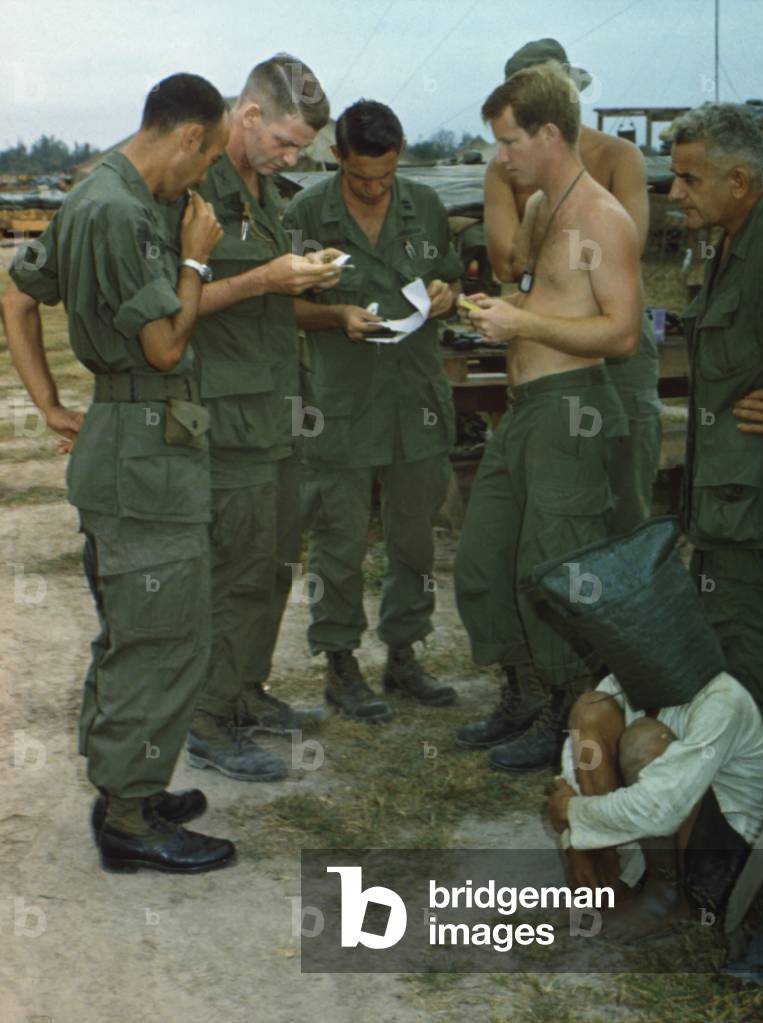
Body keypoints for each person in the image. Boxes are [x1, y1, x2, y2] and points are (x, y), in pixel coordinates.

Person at [1, 74, 235, 872]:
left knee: (141, 629)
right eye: (203, 164)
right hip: (142, 455)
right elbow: (166, 346)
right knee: (158, 639)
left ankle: (128, 784)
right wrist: (196, 262)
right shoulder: (119, 212)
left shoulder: (94, 193)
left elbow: (17, 293)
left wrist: (48, 401)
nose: (199, 184)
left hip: (135, 443)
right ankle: (130, 819)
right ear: (189, 136)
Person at [461, 39, 661, 772]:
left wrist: (524, 324)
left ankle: (570, 709)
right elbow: (540, 294)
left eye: (509, 140)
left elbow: (622, 331)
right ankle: (521, 688)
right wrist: (503, 309)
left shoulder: (603, 216)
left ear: (548, 134)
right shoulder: (544, 203)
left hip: (571, 410)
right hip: (524, 412)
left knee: (555, 570)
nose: (501, 156)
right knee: (485, 557)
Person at [182, 55, 343, 782]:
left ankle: (246, 689)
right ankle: (207, 719)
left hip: (280, 408)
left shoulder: (267, 190)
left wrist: (305, 280)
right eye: (283, 143)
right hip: (228, 416)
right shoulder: (193, 187)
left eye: (299, 151)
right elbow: (169, 306)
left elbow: (265, 293)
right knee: (233, 566)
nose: (290, 159)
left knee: (274, 559)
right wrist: (265, 279)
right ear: (247, 116)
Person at [283, 99, 464, 722]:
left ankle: (404, 655)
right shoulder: (307, 213)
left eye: (385, 175)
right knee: (338, 540)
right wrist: (334, 315)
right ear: (336, 157)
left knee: (415, 539)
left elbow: (449, 281)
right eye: (361, 177)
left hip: (416, 401)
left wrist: (446, 297)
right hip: (342, 403)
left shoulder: (426, 207)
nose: (374, 188)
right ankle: (339, 663)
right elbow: (278, 305)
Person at [669, 103, 763, 756]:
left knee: (752, 644)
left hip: (757, 499)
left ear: (737, 180)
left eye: (689, 179)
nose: (674, 192)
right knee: (720, 643)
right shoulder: (736, 237)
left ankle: (759, 807)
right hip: (725, 493)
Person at [545, 670, 763, 942]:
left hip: (722, 854)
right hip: (657, 831)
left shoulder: (722, 698)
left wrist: (573, 812)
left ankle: (666, 896)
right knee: (589, 709)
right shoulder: (623, 678)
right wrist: (577, 844)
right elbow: (573, 772)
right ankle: (610, 883)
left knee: (644, 740)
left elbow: (660, 810)